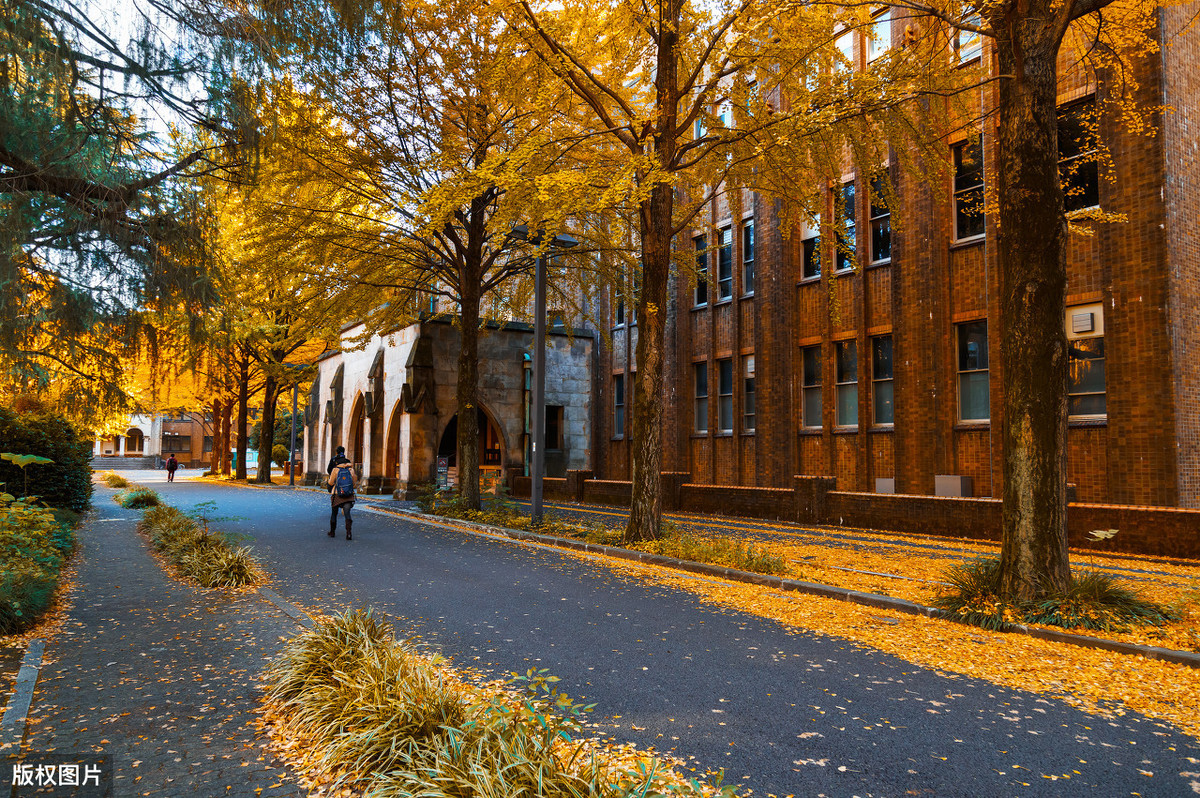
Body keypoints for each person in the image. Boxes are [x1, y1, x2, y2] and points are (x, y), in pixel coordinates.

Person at [326, 446, 358, 540]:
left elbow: (331, 482)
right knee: (347, 513)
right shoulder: (350, 469)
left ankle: (332, 532)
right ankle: (348, 533)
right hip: (348, 494)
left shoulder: (336, 469)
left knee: (334, 513)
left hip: (337, 494)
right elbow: (354, 483)